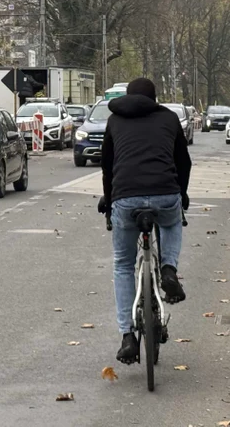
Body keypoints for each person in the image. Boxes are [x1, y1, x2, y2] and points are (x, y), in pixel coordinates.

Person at [96, 77, 192, 365]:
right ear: (155, 98)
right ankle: (168, 269)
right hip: (165, 195)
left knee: (123, 264)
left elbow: (107, 164)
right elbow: (183, 161)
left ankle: (127, 337)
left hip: (125, 199)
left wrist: (108, 197)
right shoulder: (170, 117)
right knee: (172, 222)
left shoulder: (114, 120)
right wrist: (181, 195)